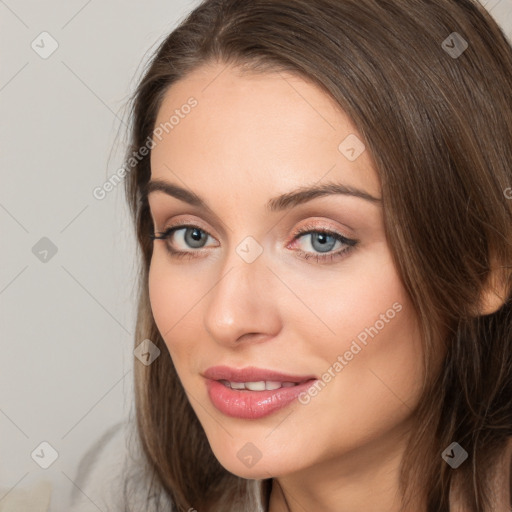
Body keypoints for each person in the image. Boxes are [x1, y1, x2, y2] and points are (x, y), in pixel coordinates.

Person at [71, 0, 512, 510]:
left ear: (485, 264)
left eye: (321, 240)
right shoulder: (120, 488)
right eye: (191, 235)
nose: (227, 317)